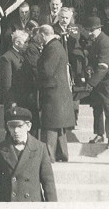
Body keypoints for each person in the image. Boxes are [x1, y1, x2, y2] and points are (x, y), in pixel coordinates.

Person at [0, 105, 57, 202]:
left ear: (28, 126)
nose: (16, 131)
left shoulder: (40, 148)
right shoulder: (1, 148)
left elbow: (49, 184)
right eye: (12, 126)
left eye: (20, 126)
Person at [36, 24, 75, 162]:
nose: (37, 38)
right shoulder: (57, 46)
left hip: (53, 93)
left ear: (43, 35)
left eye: (38, 36)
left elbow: (46, 70)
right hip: (58, 93)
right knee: (59, 125)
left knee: (50, 125)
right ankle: (62, 154)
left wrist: (36, 74)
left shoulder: (52, 48)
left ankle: (48, 156)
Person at [85, 17, 109, 149]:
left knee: (108, 104)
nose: (90, 33)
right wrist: (89, 67)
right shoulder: (94, 41)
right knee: (96, 105)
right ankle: (99, 134)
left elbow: (102, 67)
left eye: (92, 30)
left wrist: (90, 84)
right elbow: (92, 60)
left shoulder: (105, 42)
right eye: (88, 30)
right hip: (100, 78)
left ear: (99, 29)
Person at [0, 29, 39, 136]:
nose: (28, 44)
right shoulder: (7, 57)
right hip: (15, 101)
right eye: (26, 42)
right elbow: (6, 84)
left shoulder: (24, 55)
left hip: (26, 100)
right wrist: (12, 102)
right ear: (17, 43)